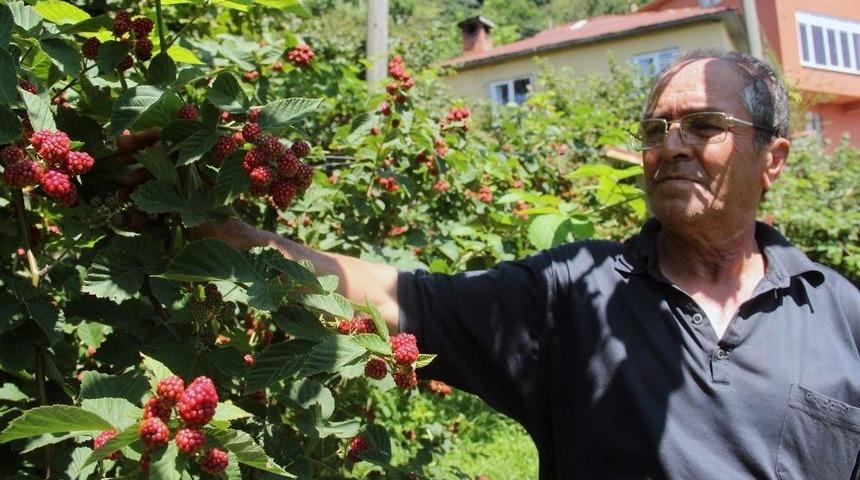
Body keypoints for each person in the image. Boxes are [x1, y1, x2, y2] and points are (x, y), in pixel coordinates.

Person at [195, 50, 860, 479]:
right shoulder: (577, 293)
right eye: (655, 130)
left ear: (772, 159)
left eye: (704, 125)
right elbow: (405, 298)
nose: (671, 146)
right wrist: (226, 232)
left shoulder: (840, 313)